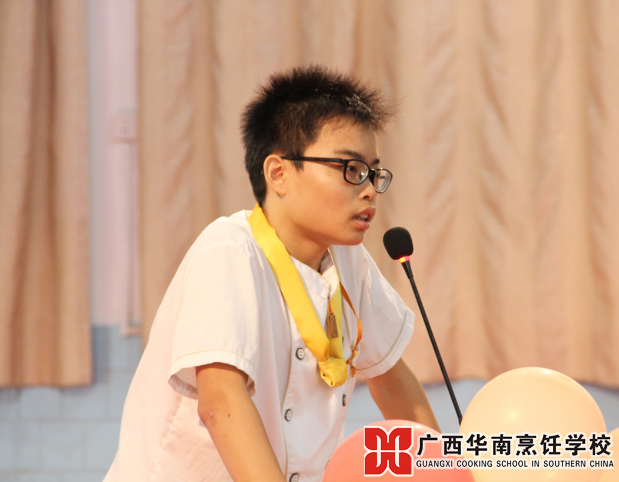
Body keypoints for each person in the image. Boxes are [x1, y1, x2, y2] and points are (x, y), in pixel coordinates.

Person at [104, 65, 439, 482]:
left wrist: (446, 472)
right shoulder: (229, 250)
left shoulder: (349, 261)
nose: (369, 190)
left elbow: (391, 382)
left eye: (373, 173)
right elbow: (221, 402)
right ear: (278, 173)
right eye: (351, 170)